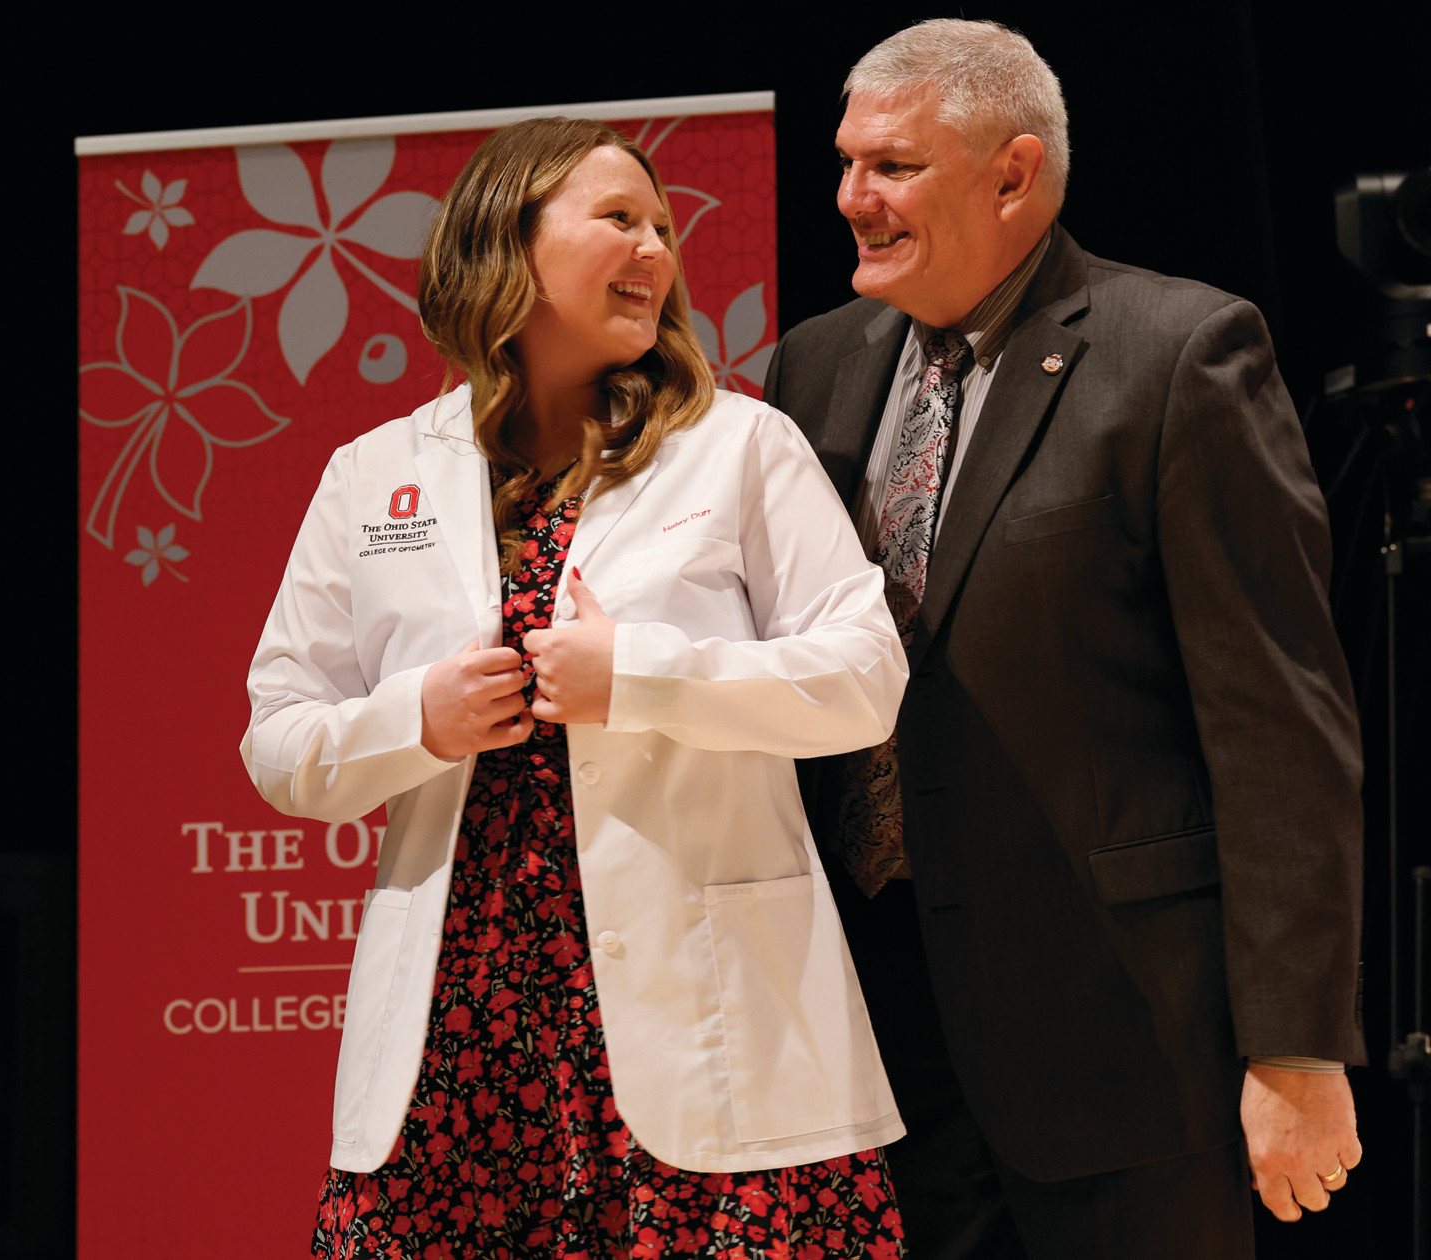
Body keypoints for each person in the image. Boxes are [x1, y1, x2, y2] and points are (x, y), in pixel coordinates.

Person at [242, 116, 912, 1258]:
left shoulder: (739, 446)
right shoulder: (374, 473)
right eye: (617, 219)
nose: (655, 248)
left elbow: (861, 679)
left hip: (707, 1033)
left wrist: (640, 676)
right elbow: (279, 743)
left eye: (661, 226)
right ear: (506, 243)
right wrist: (420, 720)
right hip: (459, 1040)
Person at [761, 19, 1365, 1259]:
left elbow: (1276, 724)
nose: (849, 200)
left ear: (1010, 172)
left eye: (891, 166)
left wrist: (1293, 1044)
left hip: (1119, 1040)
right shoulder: (807, 370)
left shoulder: (1177, 356)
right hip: (870, 1043)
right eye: (844, 163)